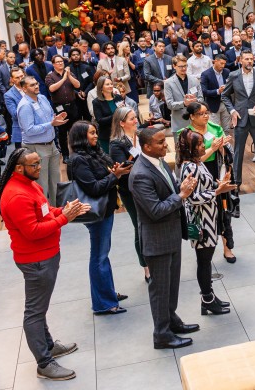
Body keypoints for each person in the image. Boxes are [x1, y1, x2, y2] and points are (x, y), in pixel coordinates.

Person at [0, 149, 88, 381]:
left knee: (40, 307)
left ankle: (47, 345)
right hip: (36, 260)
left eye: (39, 163)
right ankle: (44, 363)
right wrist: (65, 219)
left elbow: (44, 213)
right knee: (35, 312)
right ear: (19, 168)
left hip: (45, 256)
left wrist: (64, 211)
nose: (40, 167)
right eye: (34, 165)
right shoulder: (17, 195)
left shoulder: (31, 185)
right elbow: (33, 231)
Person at [128, 128, 199, 349]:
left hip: (171, 234)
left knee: (172, 285)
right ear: (146, 147)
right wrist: (182, 195)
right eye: (160, 143)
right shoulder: (140, 174)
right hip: (157, 241)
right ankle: (161, 334)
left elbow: (169, 190)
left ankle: (171, 319)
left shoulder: (158, 163)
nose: (165, 145)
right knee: (160, 290)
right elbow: (156, 210)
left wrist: (181, 186)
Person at [67, 121, 130, 314]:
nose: (96, 136)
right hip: (97, 214)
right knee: (99, 256)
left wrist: (115, 170)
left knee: (103, 254)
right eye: (92, 133)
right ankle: (104, 303)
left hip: (106, 210)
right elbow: (93, 187)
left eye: (95, 132)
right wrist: (114, 177)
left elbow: (106, 172)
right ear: (80, 137)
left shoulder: (94, 153)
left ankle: (108, 292)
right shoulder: (78, 159)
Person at [177, 128, 235, 314]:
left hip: (209, 216)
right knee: (204, 261)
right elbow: (191, 198)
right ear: (191, 148)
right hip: (202, 221)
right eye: (200, 144)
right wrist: (218, 192)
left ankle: (209, 296)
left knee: (206, 260)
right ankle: (207, 299)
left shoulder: (196, 163)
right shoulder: (190, 168)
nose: (205, 146)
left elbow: (203, 187)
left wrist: (219, 184)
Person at [184, 102, 237, 263]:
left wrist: (223, 147)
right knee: (201, 212)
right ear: (192, 116)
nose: (206, 116)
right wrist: (213, 148)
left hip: (216, 170)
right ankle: (202, 248)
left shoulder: (215, 128)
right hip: (197, 174)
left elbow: (227, 153)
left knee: (223, 211)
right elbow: (191, 161)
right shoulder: (186, 134)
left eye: (207, 112)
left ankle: (227, 247)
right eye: (201, 113)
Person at [221, 49, 255, 192]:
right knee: (238, 151)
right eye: (246, 59)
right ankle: (236, 182)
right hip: (240, 118)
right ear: (241, 60)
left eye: (251, 59)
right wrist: (232, 110)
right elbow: (225, 95)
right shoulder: (233, 75)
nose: (249, 61)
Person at [109, 107, 150, 282]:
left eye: (135, 117)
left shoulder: (140, 136)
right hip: (130, 190)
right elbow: (123, 167)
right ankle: (146, 267)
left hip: (147, 185)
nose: (136, 121)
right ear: (122, 123)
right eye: (132, 118)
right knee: (139, 226)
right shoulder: (117, 143)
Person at [17, 76, 67, 203]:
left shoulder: (43, 98)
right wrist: (50, 124)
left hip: (51, 145)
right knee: (42, 184)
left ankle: (56, 211)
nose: (36, 86)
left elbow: (50, 116)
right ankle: (43, 214)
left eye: (36, 83)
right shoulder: (25, 106)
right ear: (24, 88)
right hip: (36, 147)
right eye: (32, 85)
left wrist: (56, 119)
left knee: (56, 181)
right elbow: (29, 130)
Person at [46, 55, 80, 162]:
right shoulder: (50, 76)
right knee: (62, 132)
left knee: (74, 130)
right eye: (58, 62)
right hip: (60, 107)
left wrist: (68, 76)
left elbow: (78, 85)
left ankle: (77, 152)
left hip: (72, 105)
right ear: (53, 64)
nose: (60, 63)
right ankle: (65, 155)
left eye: (61, 61)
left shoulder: (70, 74)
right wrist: (63, 79)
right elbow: (51, 88)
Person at [164, 55, 204, 137]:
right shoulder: (168, 83)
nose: (184, 68)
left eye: (185, 66)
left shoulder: (195, 80)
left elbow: (201, 98)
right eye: (181, 66)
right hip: (179, 123)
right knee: (180, 149)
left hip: (196, 122)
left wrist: (195, 101)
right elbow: (169, 104)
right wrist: (184, 104)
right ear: (174, 66)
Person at [92, 76, 125, 152]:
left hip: (121, 133)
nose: (110, 86)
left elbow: (124, 114)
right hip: (106, 135)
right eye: (107, 84)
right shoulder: (97, 102)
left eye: (111, 84)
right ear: (101, 87)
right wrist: (116, 113)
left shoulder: (118, 97)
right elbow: (100, 120)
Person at [200, 54, 231, 135]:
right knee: (214, 130)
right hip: (213, 105)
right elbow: (204, 91)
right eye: (221, 63)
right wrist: (218, 91)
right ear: (215, 61)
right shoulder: (206, 74)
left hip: (225, 104)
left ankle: (226, 146)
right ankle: (215, 147)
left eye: (224, 64)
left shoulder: (227, 72)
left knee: (227, 129)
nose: (223, 66)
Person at [4, 67, 25, 149]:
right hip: (21, 131)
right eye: (17, 77)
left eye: (22, 76)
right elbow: (15, 114)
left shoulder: (32, 87)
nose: (20, 79)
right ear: (12, 79)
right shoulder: (9, 95)